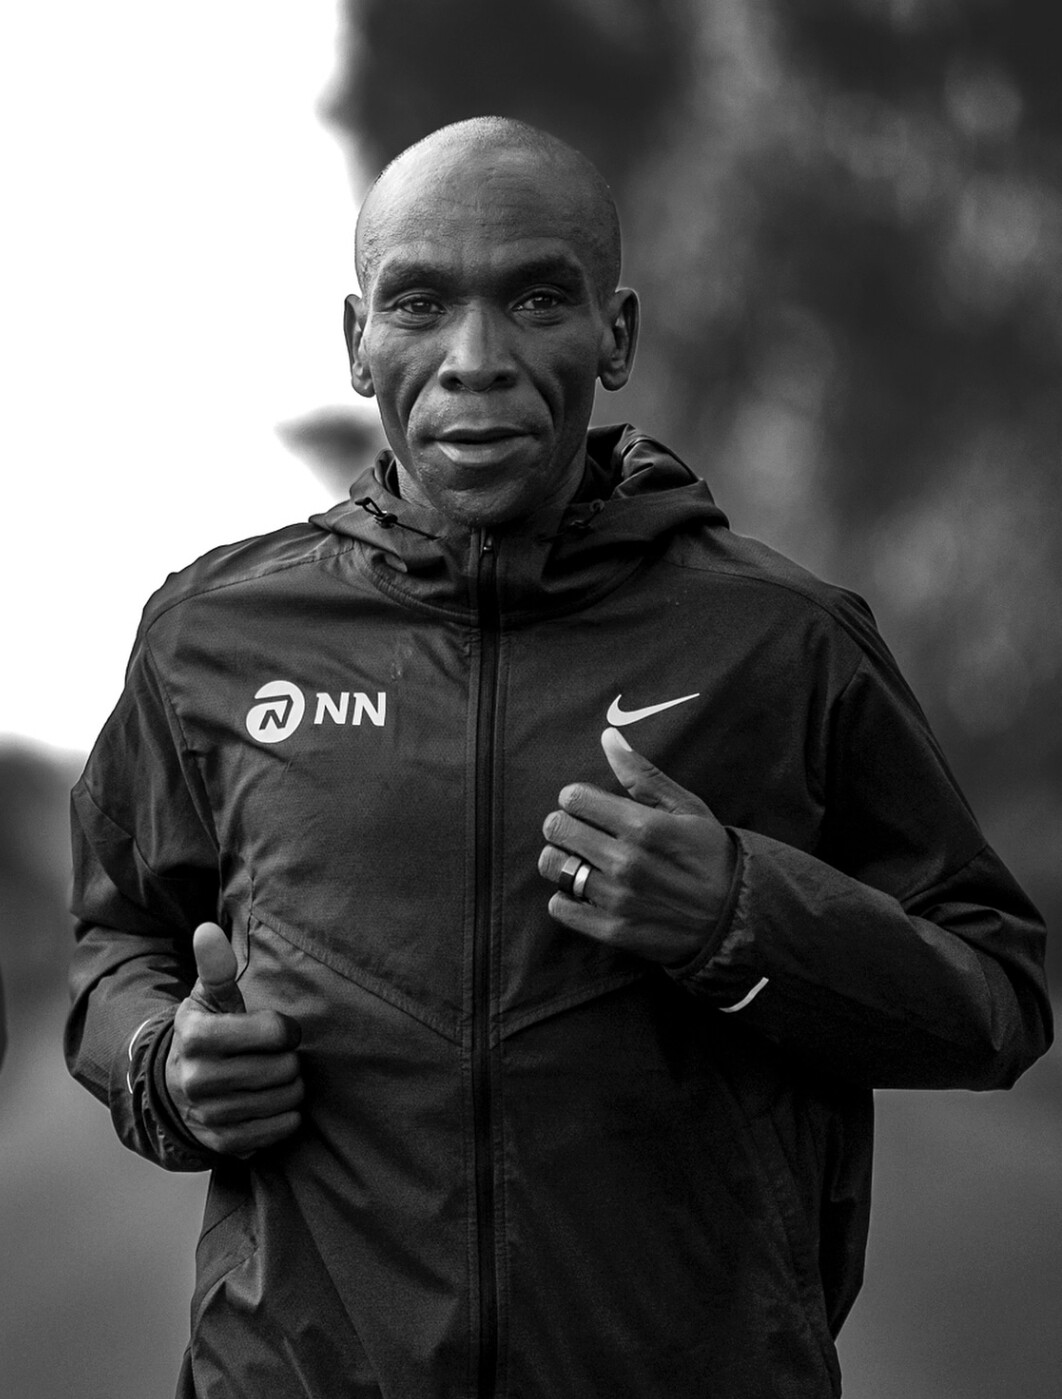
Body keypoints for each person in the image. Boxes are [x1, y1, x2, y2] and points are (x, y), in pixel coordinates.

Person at [66, 117, 1051, 1399]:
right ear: (359, 341)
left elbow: (997, 996)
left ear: (615, 335)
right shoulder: (211, 634)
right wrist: (163, 1060)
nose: (476, 360)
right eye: (420, 303)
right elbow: (114, 941)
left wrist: (741, 913)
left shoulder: (783, 640)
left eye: (537, 299)